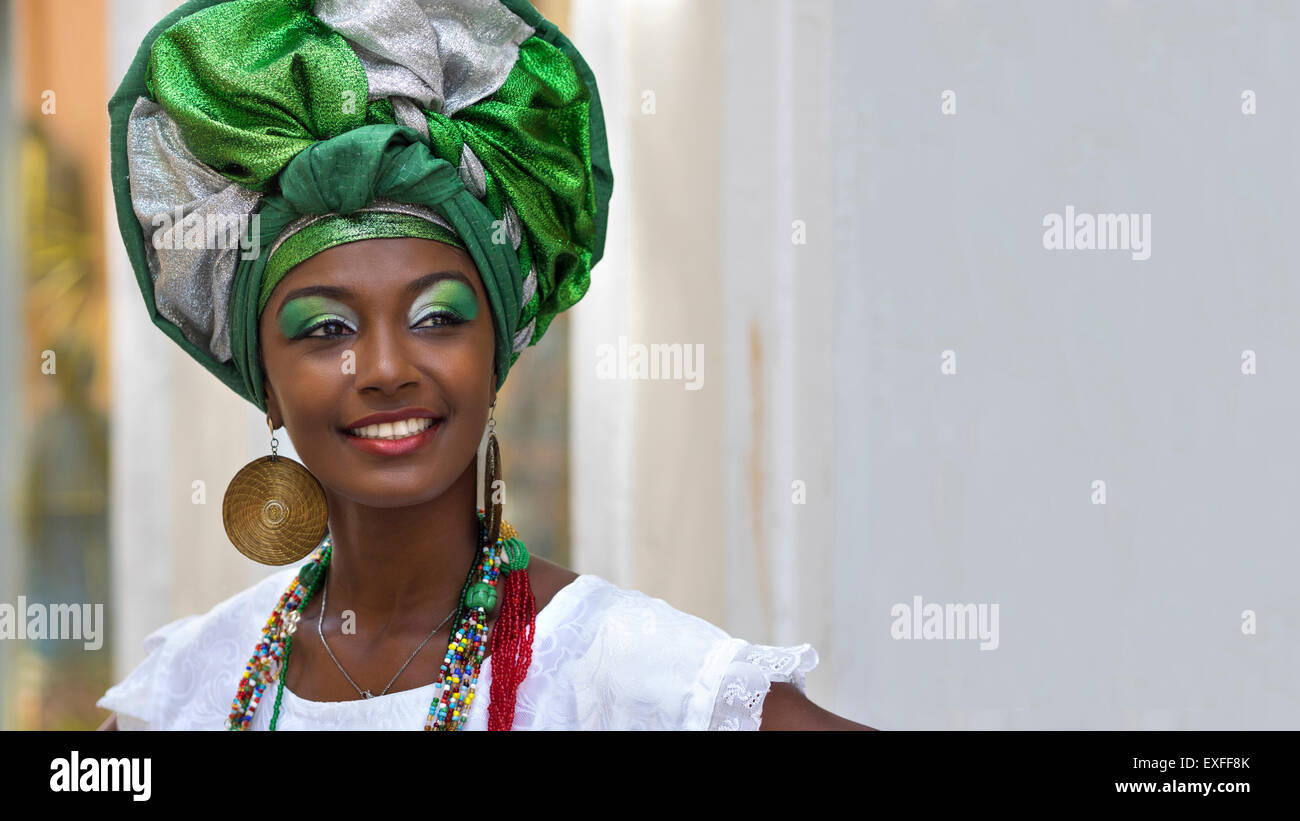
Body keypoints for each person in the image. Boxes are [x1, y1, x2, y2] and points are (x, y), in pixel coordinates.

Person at [96, 0, 873, 731]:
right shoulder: (196, 685)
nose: (386, 366)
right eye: (326, 327)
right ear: (264, 383)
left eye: (437, 317)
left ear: (494, 355)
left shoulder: (626, 675)